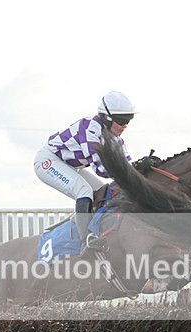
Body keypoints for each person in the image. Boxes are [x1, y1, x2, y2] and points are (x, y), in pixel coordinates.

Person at [34, 90, 148, 254]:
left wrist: (141, 166)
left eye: (129, 120)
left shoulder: (115, 138)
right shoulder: (90, 128)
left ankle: (97, 232)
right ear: (107, 117)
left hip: (70, 166)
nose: (125, 125)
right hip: (49, 161)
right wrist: (134, 168)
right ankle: (85, 241)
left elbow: (128, 165)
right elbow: (101, 169)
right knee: (84, 191)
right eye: (122, 120)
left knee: (104, 193)